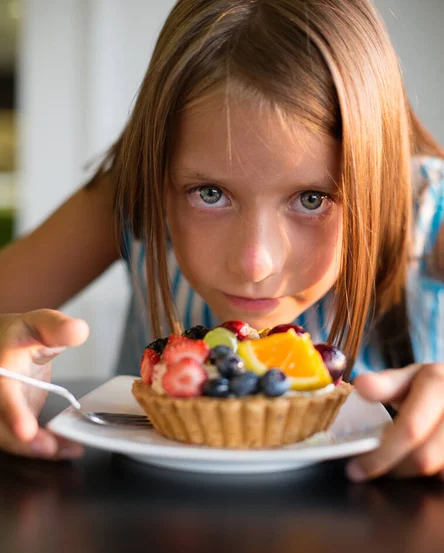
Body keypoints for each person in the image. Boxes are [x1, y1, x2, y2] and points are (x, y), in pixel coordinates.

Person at [0, 0, 443, 480]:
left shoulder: (430, 214)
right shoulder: (133, 194)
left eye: (312, 200)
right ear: (158, 166)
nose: (255, 263)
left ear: (374, 179)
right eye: (209, 194)